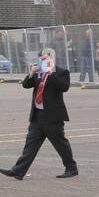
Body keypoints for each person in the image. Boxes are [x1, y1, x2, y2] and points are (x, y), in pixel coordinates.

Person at [1, 49, 78, 180]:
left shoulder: (61, 72)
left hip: (53, 116)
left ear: (51, 58)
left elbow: (64, 87)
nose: (42, 61)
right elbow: (26, 85)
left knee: (60, 144)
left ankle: (71, 168)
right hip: (37, 115)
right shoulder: (38, 73)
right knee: (30, 145)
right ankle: (18, 171)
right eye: (40, 59)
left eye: (44, 59)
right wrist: (32, 72)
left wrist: (50, 73)